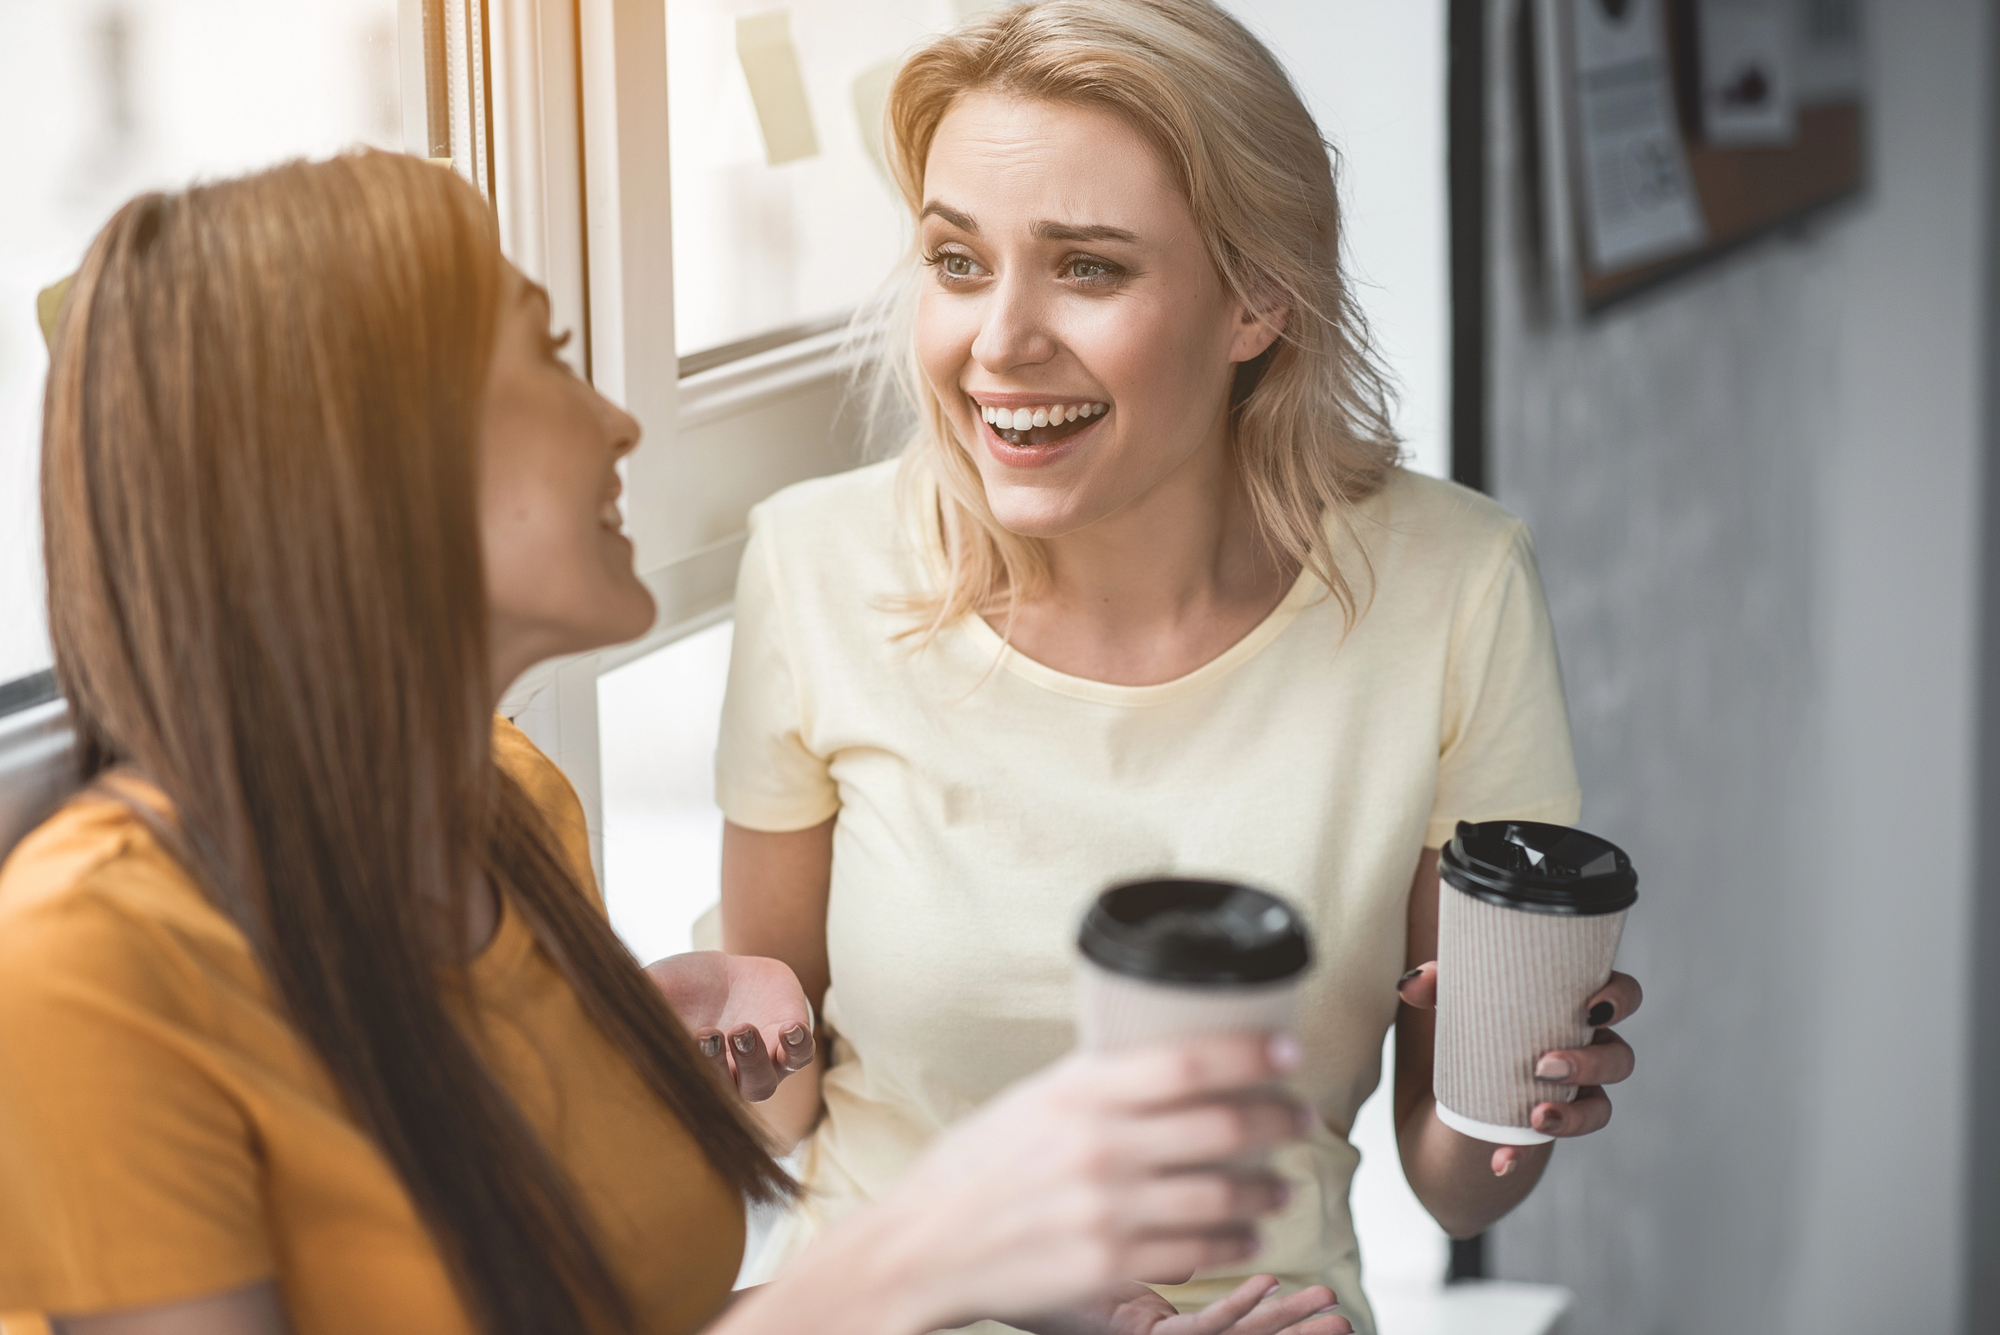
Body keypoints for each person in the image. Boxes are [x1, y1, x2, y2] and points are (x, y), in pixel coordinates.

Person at [0, 151, 1353, 1335]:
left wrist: (990, 1285)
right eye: (544, 357)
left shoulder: (503, 810)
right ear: (356, 461)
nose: (621, 420)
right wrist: (908, 1251)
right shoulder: (91, 962)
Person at [714, 2, 1644, 1332]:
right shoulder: (812, 567)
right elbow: (776, 1102)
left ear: (1255, 299)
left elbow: (1459, 1184)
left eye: (1088, 269)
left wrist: (1524, 1101)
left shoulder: (1454, 587)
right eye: (957, 261)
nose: (999, 344)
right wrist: (717, 1042)